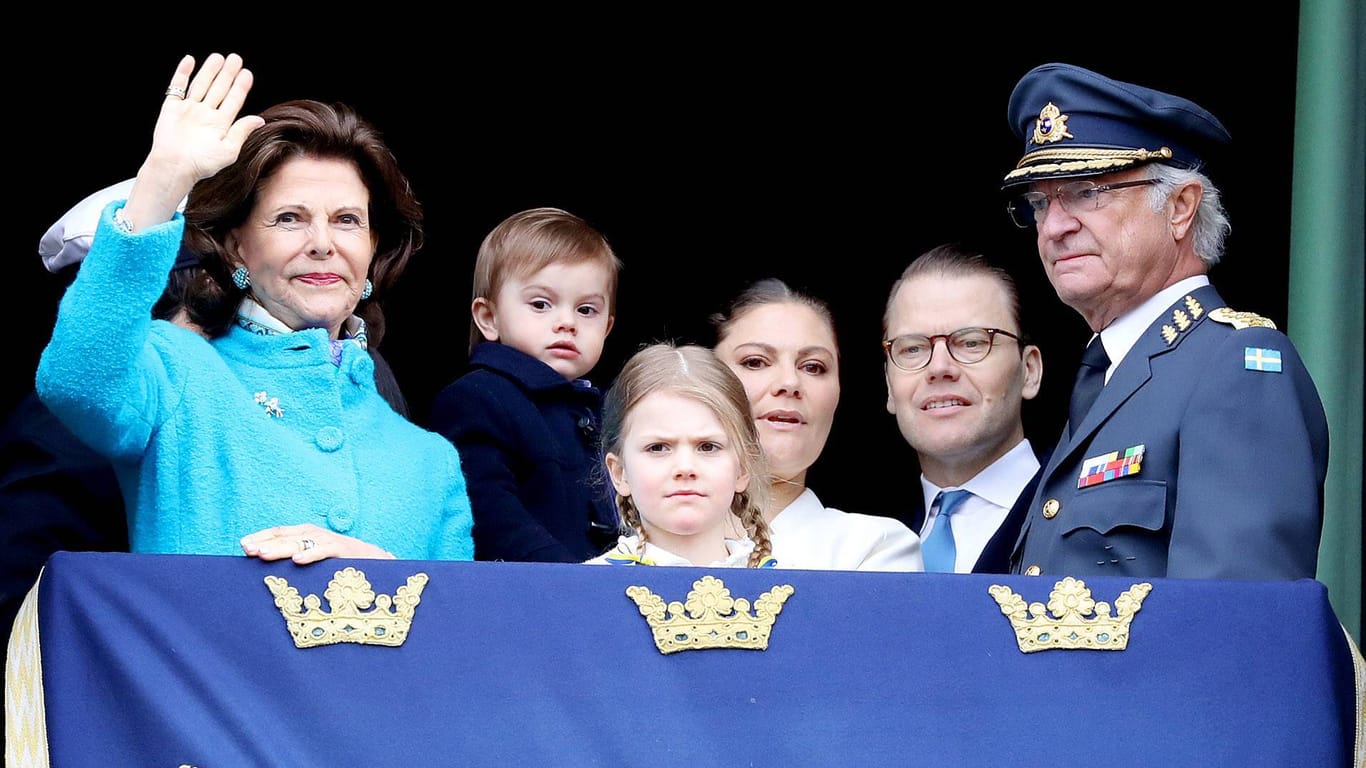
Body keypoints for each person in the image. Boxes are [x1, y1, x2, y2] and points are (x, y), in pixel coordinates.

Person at [34, 52, 474, 563]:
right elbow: (77, 381)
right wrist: (163, 180)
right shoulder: (177, 371)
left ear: (374, 247)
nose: (322, 243)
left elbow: (454, 637)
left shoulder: (431, 463)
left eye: (348, 220)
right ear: (238, 246)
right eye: (289, 218)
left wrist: (383, 576)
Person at [1000, 62, 1329, 579]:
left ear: (1179, 207)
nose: (1055, 226)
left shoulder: (1233, 366)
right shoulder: (1108, 372)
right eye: (1039, 203)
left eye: (1087, 192)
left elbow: (1231, 628)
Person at [430, 207, 621, 563]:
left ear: (607, 327)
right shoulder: (477, 398)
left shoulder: (613, 411)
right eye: (541, 304)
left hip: (612, 595)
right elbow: (488, 510)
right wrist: (568, 577)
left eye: (586, 310)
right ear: (489, 317)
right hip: (524, 598)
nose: (566, 322)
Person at [710, 278, 923, 571]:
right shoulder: (643, 546)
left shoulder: (876, 548)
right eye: (756, 362)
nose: (789, 383)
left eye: (813, 367)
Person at [881, 245, 1045, 573]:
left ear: (1029, 371)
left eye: (971, 342)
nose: (939, 367)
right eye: (912, 348)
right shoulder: (870, 541)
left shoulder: (1085, 511)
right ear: (888, 386)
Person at [585, 343, 775, 567]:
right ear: (619, 473)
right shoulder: (582, 589)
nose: (685, 468)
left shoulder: (790, 589)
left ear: (743, 467)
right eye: (658, 448)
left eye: (707, 447)